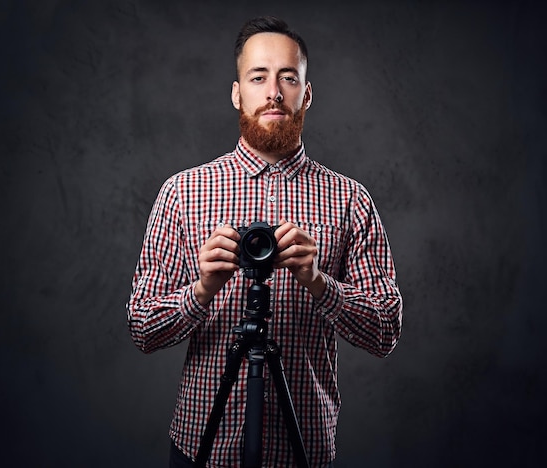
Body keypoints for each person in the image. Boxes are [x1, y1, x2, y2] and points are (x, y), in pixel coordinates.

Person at [127, 15, 403, 468]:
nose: (273, 91)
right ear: (237, 92)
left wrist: (319, 283)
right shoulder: (183, 192)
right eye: (258, 77)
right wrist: (201, 291)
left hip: (303, 447)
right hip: (204, 446)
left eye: (288, 77)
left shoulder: (351, 199)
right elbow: (142, 328)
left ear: (306, 94)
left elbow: (385, 332)